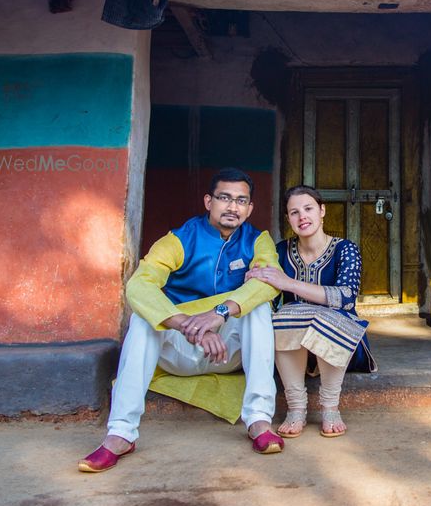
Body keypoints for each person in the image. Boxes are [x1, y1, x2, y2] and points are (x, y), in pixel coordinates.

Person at [78, 168, 284, 473]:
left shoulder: (258, 241)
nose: (232, 207)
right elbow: (140, 284)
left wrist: (218, 315)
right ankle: (120, 433)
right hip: (180, 348)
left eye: (241, 201)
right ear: (208, 201)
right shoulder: (180, 239)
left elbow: (269, 281)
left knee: (260, 308)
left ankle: (259, 420)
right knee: (141, 320)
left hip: (226, 351)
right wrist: (184, 324)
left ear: (250, 208)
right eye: (224, 198)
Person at [246, 185, 376, 439]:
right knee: (282, 316)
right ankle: (296, 408)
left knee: (329, 315)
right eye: (294, 212)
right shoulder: (280, 251)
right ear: (288, 219)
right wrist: (255, 275)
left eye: (308, 209)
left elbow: (346, 298)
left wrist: (289, 284)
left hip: (340, 344)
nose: (302, 217)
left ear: (322, 211)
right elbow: (268, 294)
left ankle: (330, 407)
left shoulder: (345, 250)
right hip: (293, 347)